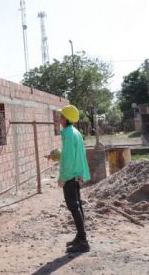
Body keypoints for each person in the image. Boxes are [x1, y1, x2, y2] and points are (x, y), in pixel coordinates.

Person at [58, 104, 91, 253]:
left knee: (74, 207)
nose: (59, 118)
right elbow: (71, 154)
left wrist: (63, 177)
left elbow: (69, 159)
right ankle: (80, 236)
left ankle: (83, 241)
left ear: (67, 119)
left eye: (61, 116)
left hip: (71, 175)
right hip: (77, 174)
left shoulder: (69, 133)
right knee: (77, 206)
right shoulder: (74, 132)